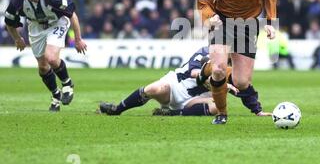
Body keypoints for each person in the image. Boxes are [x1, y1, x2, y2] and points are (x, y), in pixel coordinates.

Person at [196, 0, 277, 124]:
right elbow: (203, 1)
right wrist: (209, 17)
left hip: (248, 24)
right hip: (223, 21)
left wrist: (270, 21)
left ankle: (204, 70)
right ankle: (221, 113)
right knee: (219, 70)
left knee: (241, 82)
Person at [98, 47, 271, 117]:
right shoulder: (205, 52)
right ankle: (117, 109)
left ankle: (172, 113)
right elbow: (194, 71)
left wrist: (257, 111)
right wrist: (214, 80)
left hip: (193, 100)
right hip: (176, 87)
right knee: (153, 89)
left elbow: (244, 89)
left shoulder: (233, 67)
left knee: (217, 107)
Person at [4, 0, 87, 112]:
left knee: (51, 58)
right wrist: (17, 39)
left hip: (57, 23)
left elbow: (72, 15)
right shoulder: (17, 1)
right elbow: (10, 23)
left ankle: (67, 84)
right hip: (36, 27)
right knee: (43, 67)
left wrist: (78, 39)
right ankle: (56, 95)